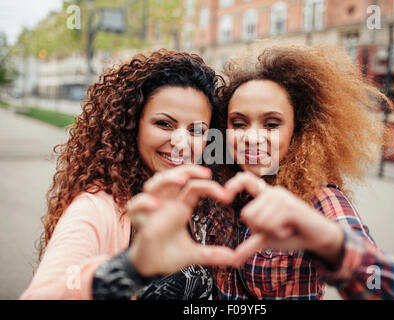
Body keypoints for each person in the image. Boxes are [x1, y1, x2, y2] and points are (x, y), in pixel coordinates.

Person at [198, 44, 394, 300]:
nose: (251, 137)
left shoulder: (317, 198)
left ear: (298, 131)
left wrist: (328, 242)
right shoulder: (222, 188)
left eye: (271, 124)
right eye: (239, 123)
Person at [20, 49, 241, 300]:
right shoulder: (95, 208)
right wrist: (128, 269)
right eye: (164, 124)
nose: (182, 142)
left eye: (196, 130)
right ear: (131, 124)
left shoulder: (200, 204)